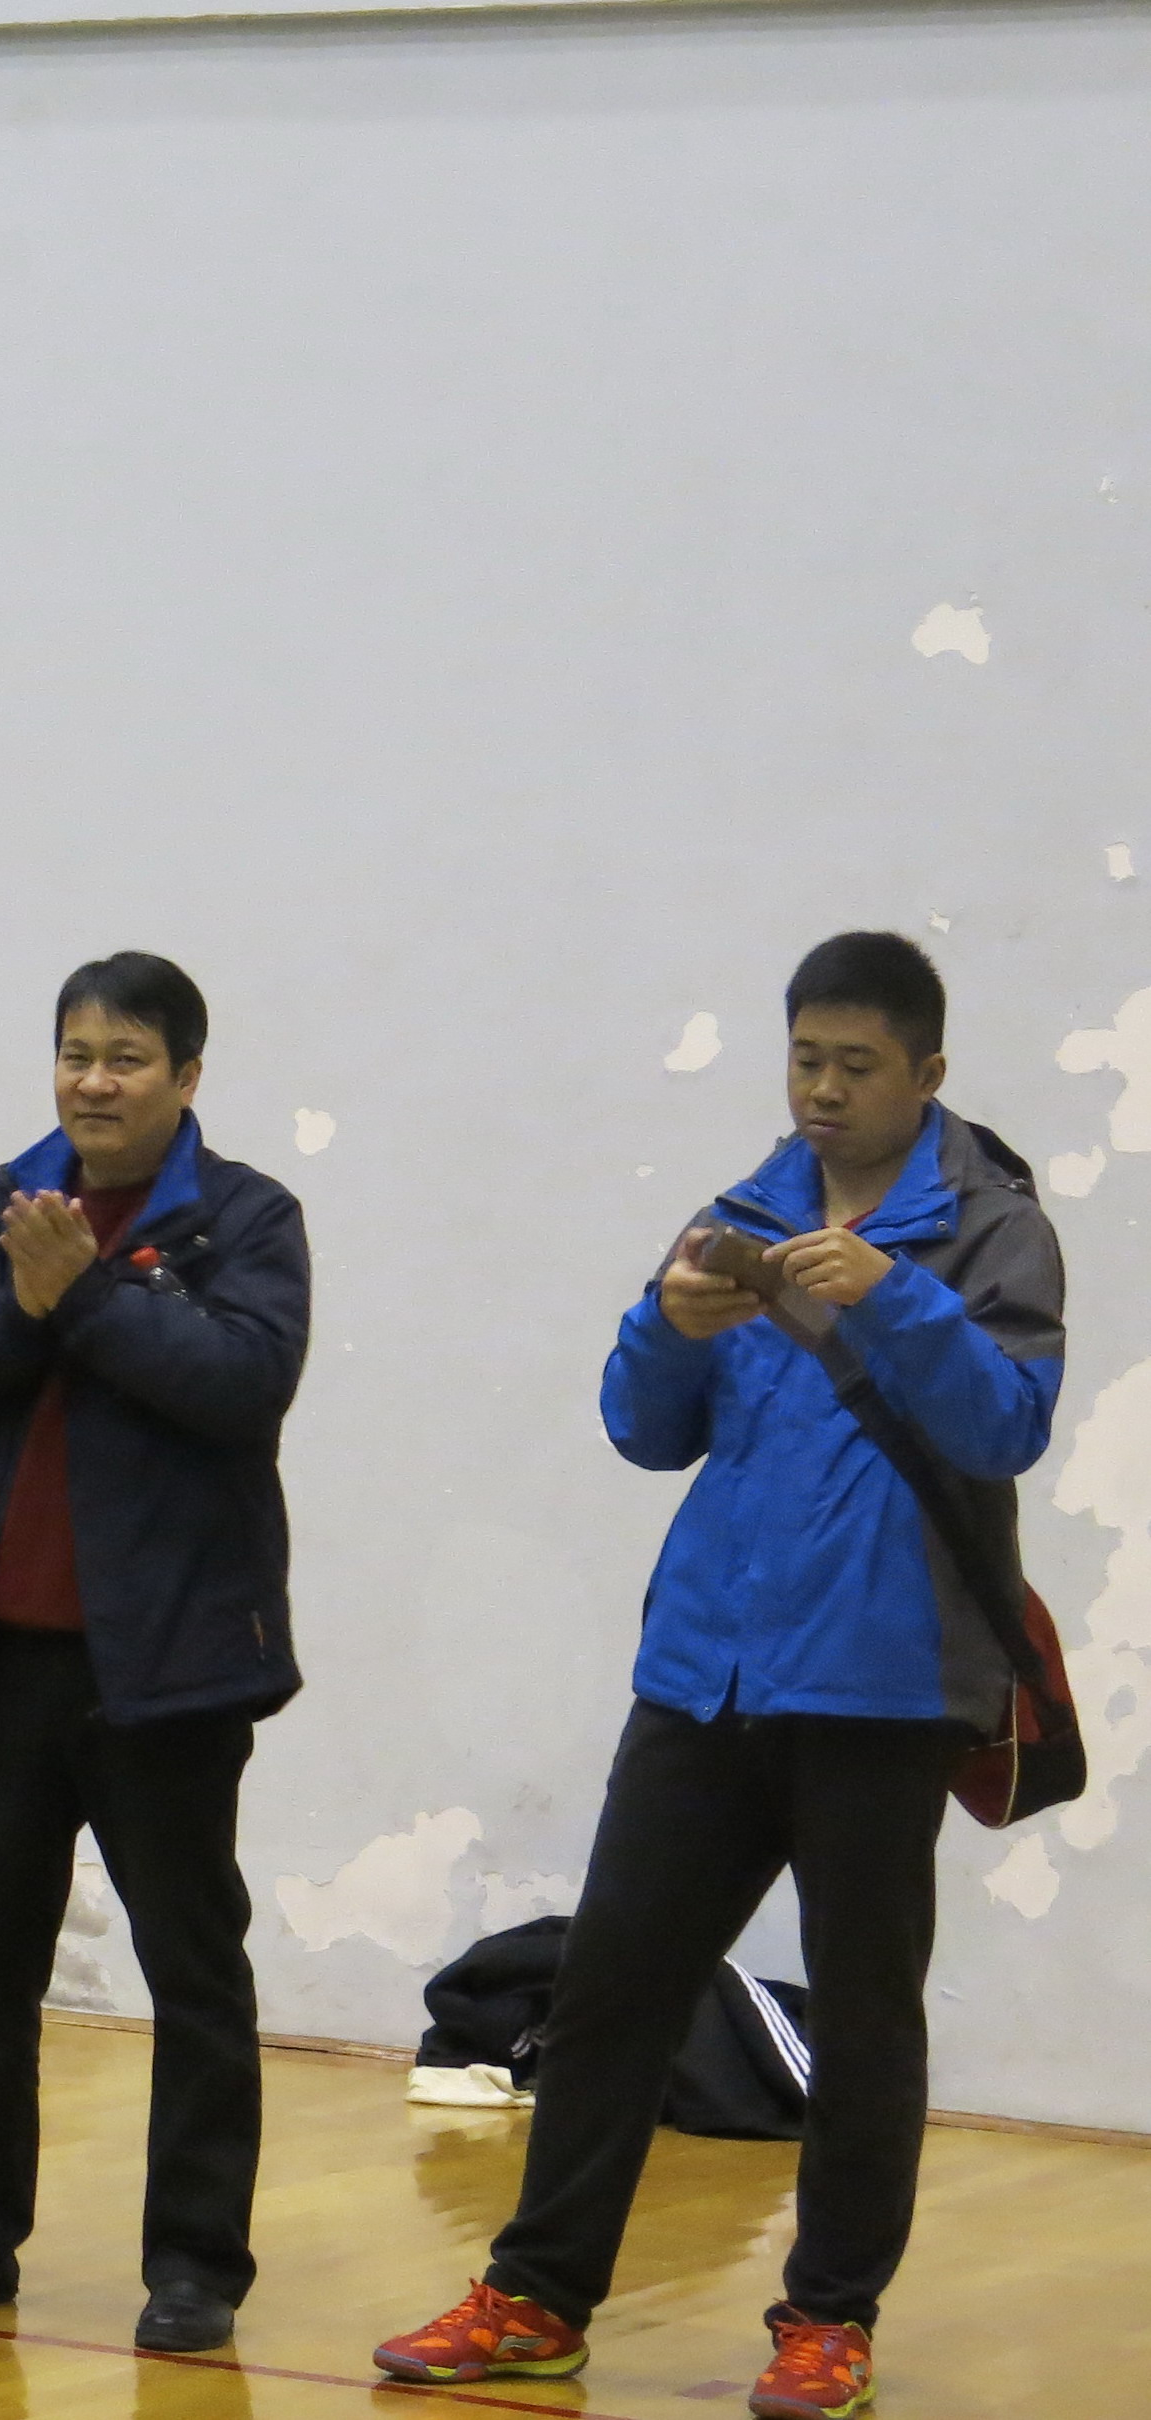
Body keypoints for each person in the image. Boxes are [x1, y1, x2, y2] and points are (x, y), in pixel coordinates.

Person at [376, 933, 1061, 2420]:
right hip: (705, 1675)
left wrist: (893, 1295)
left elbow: (1007, 1425)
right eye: (806, 1058)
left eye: (857, 1066)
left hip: (882, 1688)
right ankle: (536, 2297)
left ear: (928, 1074)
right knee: (611, 1990)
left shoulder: (991, 1230)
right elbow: (642, 1427)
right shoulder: (738, 1211)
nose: (823, 1089)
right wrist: (664, 1328)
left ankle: (829, 2321)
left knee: (865, 2017)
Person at [0, 952, 308, 2355]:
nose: (94, 1081)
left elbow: (243, 1385)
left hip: (166, 1666)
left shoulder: (244, 1217)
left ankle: (194, 2264)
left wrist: (88, 1297)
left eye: (125, 1057)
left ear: (186, 1075)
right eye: (75, 1053)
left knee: (193, 1970)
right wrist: (28, 1299)